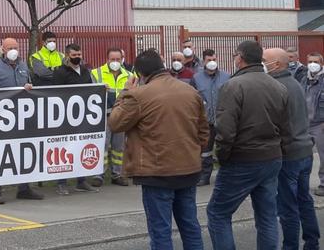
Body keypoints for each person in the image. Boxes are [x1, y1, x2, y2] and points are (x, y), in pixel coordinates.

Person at [109, 49, 207, 250]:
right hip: (188, 168)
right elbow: (203, 132)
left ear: (139, 74)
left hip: (156, 172)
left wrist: (125, 92)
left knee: (160, 230)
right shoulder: (190, 91)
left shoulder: (137, 96)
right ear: (162, 66)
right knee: (190, 226)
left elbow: (116, 123)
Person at [206, 41, 291, 249]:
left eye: (236, 55)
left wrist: (222, 157)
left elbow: (225, 130)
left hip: (242, 158)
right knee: (267, 215)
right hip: (271, 157)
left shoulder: (233, 85)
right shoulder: (277, 85)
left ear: (240, 58)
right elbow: (286, 127)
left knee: (218, 213)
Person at [263, 48, 320, 250]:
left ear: (276, 64)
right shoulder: (295, 83)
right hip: (304, 150)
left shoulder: (276, 86)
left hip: (289, 154)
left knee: (288, 207)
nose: (262, 64)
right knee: (304, 200)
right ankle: (312, 242)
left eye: (264, 61)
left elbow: (274, 123)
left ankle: (290, 246)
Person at [0, 38, 43, 204]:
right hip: (2, 118)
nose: (13, 50)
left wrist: (29, 87)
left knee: (23, 152)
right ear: (2, 49)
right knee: (0, 154)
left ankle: (24, 188)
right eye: (10, 48)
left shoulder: (23, 66)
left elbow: (29, 84)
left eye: (15, 47)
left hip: (22, 117)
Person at [53, 44, 98, 194]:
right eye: (74, 55)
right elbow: (56, 94)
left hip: (83, 116)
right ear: (67, 56)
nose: (77, 57)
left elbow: (92, 89)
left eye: (79, 54)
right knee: (64, 148)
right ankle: (61, 182)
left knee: (81, 146)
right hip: (66, 117)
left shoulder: (86, 71)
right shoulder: (60, 72)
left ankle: (81, 180)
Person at [91, 47, 132, 187]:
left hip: (121, 116)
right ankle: (99, 174)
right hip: (103, 115)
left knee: (118, 147)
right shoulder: (96, 73)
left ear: (122, 59)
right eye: (112, 59)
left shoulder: (129, 75)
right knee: (102, 145)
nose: (115, 62)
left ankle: (117, 174)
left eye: (118, 59)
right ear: (107, 60)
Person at [190, 49, 230, 186]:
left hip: (223, 119)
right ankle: (204, 176)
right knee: (205, 151)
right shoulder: (196, 78)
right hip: (206, 121)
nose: (212, 62)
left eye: (214, 59)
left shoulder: (226, 77)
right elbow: (193, 99)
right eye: (209, 60)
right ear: (203, 61)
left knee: (225, 148)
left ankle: (226, 176)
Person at [302, 52, 324, 197]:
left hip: (320, 124)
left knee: (323, 155)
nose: (312, 64)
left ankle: (323, 183)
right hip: (304, 124)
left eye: (315, 61)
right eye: (310, 61)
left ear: (321, 63)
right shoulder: (304, 79)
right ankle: (302, 184)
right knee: (302, 155)